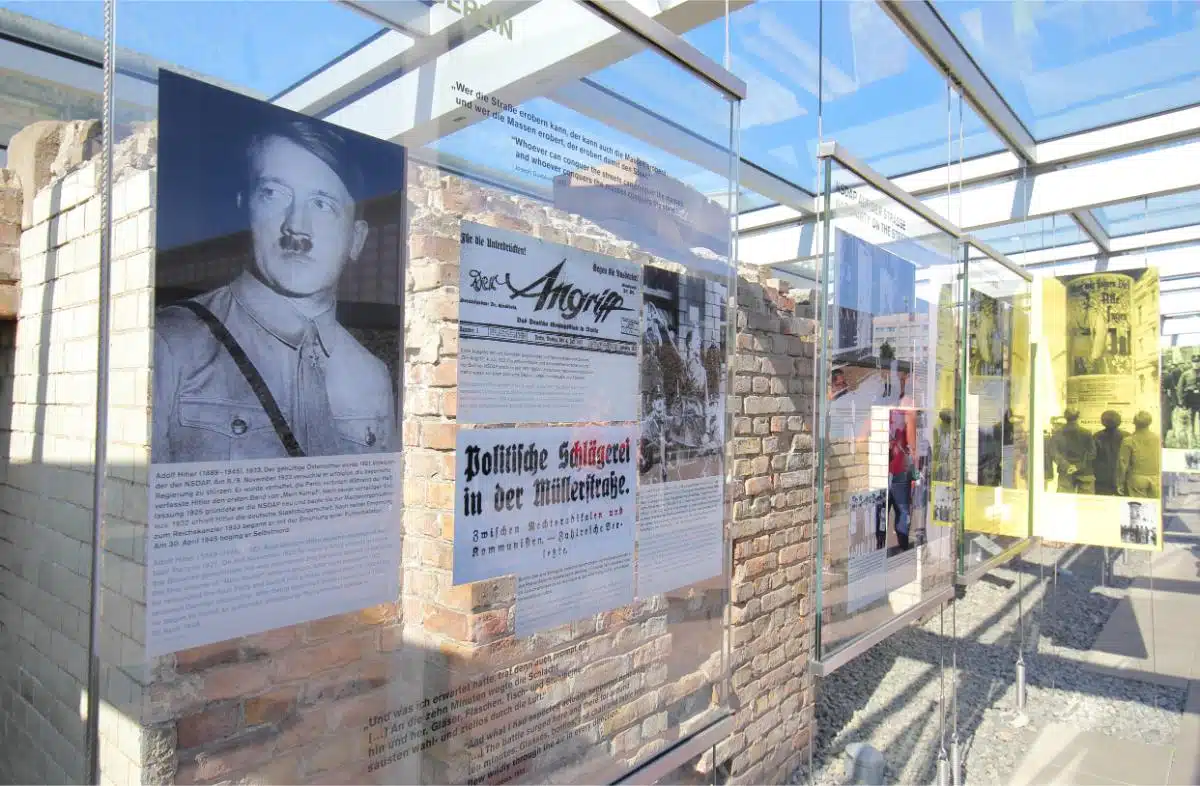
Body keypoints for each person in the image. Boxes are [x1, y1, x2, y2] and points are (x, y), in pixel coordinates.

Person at [153, 117, 395, 462]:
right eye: (273, 194)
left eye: (322, 204)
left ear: (356, 239)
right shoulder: (174, 346)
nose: (297, 226)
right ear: (245, 209)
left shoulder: (371, 376)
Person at [1050, 408, 1096, 494]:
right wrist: (1077, 466)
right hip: (1085, 472)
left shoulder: (1057, 433)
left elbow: (1054, 453)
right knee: (1086, 503)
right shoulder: (1086, 433)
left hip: (1065, 472)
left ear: (1065, 417)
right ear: (1078, 417)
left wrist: (1067, 466)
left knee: (1064, 503)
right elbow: (1092, 453)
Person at [1119, 411, 1161, 499]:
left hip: (1137, 478)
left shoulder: (1128, 440)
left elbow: (1123, 464)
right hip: (1156, 477)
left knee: (1140, 506)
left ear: (1134, 423)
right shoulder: (1158, 439)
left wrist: (1120, 482)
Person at [1068, 290, 1108, 375]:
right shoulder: (1074, 314)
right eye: (1080, 300)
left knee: (1092, 373)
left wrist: (1095, 354)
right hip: (1077, 350)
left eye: (1085, 299)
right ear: (1078, 301)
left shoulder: (1095, 313)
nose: (1083, 302)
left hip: (1090, 348)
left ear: (1088, 300)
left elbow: (1101, 333)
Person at [888, 425, 913, 550]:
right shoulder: (904, 422)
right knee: (903, 511)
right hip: (899, 473)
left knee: (881, 513)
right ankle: (903, 546)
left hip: (883, 473)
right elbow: (913, 447)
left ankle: (878, 547)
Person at [1093, 410, 1129, 496]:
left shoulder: (1096, 436)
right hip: (1121, 476)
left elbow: (1093, 457)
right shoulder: (1127, 436)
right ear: (1119, 421)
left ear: (1102, 422)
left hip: (1101, 477)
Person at [1176, 354, 1200, 446]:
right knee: (1191, 420)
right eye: (1194, 362)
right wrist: (1181, 401)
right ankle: (1192, 438)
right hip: (1190, 400)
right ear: (1191, 363)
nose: (1196, 364)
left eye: (1198, 362)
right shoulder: (1186, 374)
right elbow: (1179, 388)